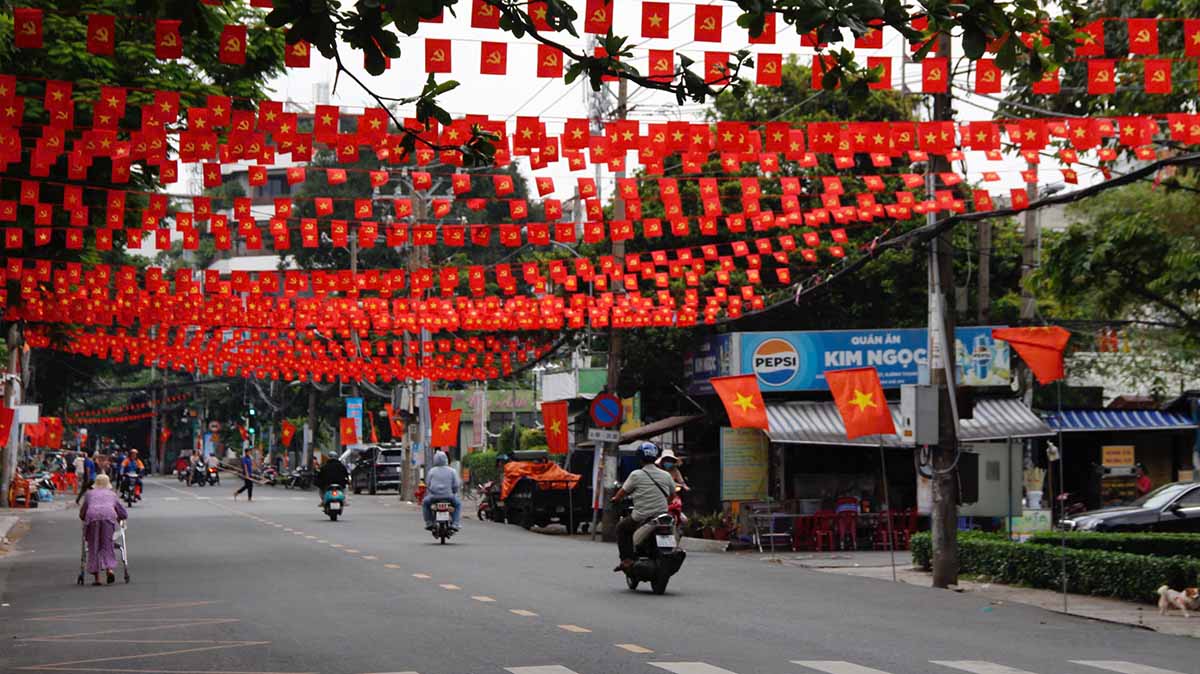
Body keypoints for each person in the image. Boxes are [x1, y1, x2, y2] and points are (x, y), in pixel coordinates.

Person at [611, 442, 674, 572]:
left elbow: (621, 494)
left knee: (621, 528)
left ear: (640, 458)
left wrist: (615, 499)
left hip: (641, 516)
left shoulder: (636, 475)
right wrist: (665, 504)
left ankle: (627, 560)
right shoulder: (666, 475)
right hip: (662, 515)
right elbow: (672, 495)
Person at [78, 474, 128, 586]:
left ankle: (97, 579)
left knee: (94, 546)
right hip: (108, 517)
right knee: (107, 544)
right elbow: (123, 513)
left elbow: (82, 513)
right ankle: (109, 569)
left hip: (92, 518)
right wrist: (120, 517)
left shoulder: (89, 494)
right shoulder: (112, 495)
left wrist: (84, 517)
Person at [422, 451, 462, 531]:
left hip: (434, 497)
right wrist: (454, 492)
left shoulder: (432, 471)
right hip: (449, 497)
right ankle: (455, 523)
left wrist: (431, 491)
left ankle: (429, 522)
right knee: (458, 504)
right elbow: (456, 485)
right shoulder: (452, 471)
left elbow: (428, 483)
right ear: (446, 459)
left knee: (425, 503)